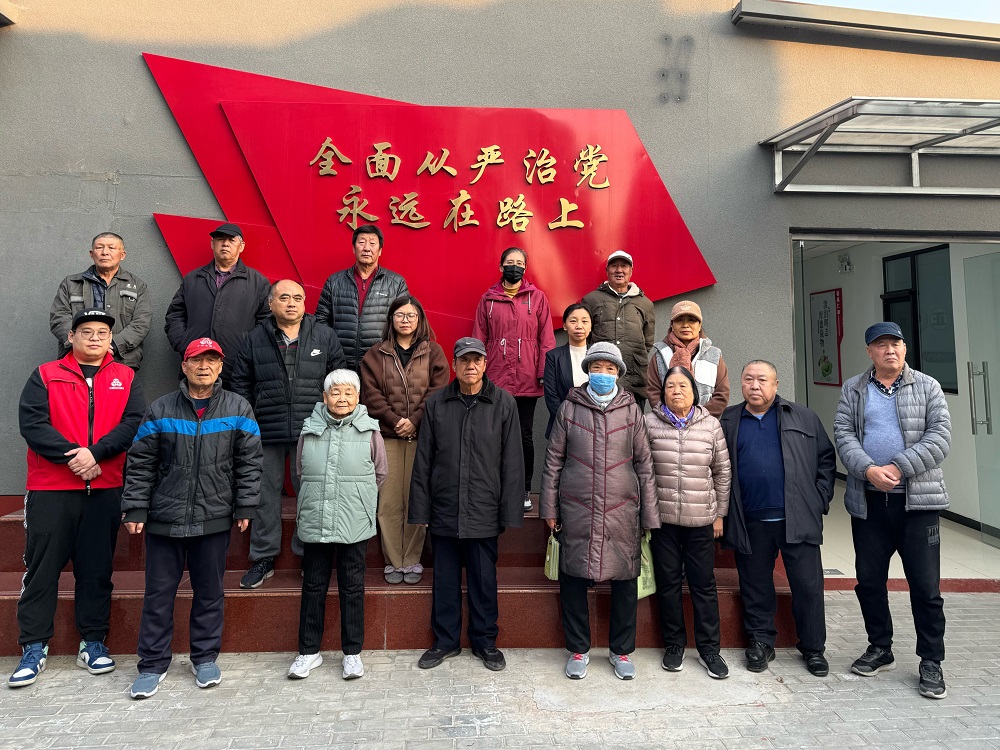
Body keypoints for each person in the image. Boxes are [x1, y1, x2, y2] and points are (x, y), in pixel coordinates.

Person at [9, 308, 144, 689]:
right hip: (51, 489)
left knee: (96, 570)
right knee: (42, 570)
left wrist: (96, 454)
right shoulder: (45, 374)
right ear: (71, 337)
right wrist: (77, 457)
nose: (95, 338)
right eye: (87, 332)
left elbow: (133, 423)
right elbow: (33, 424)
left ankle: (93, 642)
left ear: (110, 339)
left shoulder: (125, 377)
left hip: (103, 489)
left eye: (102, 332)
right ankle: (33, 646)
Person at [122, 337, 262, 699]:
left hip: (214, 517)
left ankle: (204, 658)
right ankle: (152, 664)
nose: (204, 367)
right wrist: (135, 507)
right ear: (184, 366)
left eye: (212, 361)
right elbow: (140, 462)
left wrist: (246, 506)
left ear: (220, 367)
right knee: (158, 595)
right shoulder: (160, 409)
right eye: (197, 360)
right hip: (164, 519)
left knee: (210, 592)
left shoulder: (238, 408)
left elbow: (249, 463)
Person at [834, 322, 951, 700]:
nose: (890, 350)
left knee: (926, 587)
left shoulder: (928, 387)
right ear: (869, 351)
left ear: (904, 348)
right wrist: (868, 469)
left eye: (896, 344)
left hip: (918, 504)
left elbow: (940, 438)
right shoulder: (854, 388)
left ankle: (931, 660)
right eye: (881, 345)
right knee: (869, 581)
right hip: (869, 502)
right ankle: (880, 647)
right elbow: (843, 435)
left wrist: (899, 468)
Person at [540, 342, 658, 681]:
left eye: (609, 369)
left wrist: (649, 515)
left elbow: (644, 464)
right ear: (587, 371)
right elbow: (553, 460)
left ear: (618, 374)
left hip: (623, 507)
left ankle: (621, 651)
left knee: (625, 580)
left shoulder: (631, 410)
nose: (603, 374)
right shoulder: (569, 407)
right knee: (573, 577)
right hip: (577, 506)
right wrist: (549, 506)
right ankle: (578, 649)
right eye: (597, 368)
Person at [409, 337, 524, 672]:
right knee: (444, 580)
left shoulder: (503, 403)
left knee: (484, 580)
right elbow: (424, 460)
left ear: (485, 364)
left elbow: (512, 463)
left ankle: (485, 642)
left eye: (477, 360)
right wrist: (421, 509)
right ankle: (445, 642)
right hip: (444, 508)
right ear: (454, 365)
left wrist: (508, 511)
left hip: (484, 509)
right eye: (464, 360)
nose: (470, 366)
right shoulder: (436, 404)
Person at [720, 361, 836, 677]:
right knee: (755, 584)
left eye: (762, 379)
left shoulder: (803, 417)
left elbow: (826, 459)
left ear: (776, 384)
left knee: (808, 586)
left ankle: (813, 649)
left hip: (797, 518)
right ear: (741, 383)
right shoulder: (728, 420)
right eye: (748, 379)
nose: (755, 385)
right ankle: (761, 642)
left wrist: (818, 500)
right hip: (749, 520)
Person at [230, 280, 346, 589]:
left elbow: (338, 379)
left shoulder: (324, 335)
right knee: (264, 494)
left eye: (297, 297)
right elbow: (240, 382)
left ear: (305, 303)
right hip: (265, 428)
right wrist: (249, 420)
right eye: (284, 297)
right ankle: (263, 557)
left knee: (311, 493)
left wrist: (328, 419)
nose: (291, 303)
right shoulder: (254, 338)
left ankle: (308, 554)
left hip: (312, 428)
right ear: (271, 304)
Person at [288, 370, 388, 681]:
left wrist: (358, 498)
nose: (342, 398)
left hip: (353, 519)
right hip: (316, 517)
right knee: (313, 585)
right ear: (325, 397)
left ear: (358, 397)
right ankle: (308, 652)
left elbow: (380, 473)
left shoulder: (370, 430)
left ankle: (352, 653)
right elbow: (300, 471)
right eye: (335, 392)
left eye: (348, 392)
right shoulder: (310, 429)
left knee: (352, 587)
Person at [645, 365, 732, 679]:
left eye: (683, 385)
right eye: (670, 386)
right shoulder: (649, 423)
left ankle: (709, 649)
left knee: (703, 584)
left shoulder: (710, 425)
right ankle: (674, 645)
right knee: (668, 584)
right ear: (662, 392)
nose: (676, 391)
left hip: (700, 520)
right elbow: (641, 471)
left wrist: (719, 515)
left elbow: (722, 472)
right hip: (663, 521)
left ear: (695, 392)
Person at [360, 296, 449, 585]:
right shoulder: (375, 354)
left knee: (417, 499)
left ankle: (411, 560)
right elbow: (370, 393)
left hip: (422, 437)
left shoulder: (433, 352)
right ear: (391, 319)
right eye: (400, 315)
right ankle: (393, 560)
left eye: (411, 315)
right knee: (387, 501)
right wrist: (395, 421)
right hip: (388, 436)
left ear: (420, 319)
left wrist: (415, 421)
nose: (406, 320)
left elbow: (438, 390)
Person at [472, 247, 556, 512]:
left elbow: (546, 339)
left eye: (520, 263)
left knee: (524, 436)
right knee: (494, 435)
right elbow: (478, 339)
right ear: (501, 267)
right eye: (510, 262)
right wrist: (478, 374)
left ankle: (523, 489)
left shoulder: (537, 298)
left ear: (525, 268)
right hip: (496, 378)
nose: (515, 267)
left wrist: (543, 372)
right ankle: (494, 489)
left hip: (527, 378)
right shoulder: (488, 299)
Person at [163, 222, 271, 387]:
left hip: (237, 368)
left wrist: (249, 351)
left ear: (241, 246)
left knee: (234, 404)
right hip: (196, 365)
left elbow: (267, 321)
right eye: (220, 239)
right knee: (195, 403)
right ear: (212, 244)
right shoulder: (193, 279)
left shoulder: (258, 282)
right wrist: (184, 343)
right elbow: (175, 314)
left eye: (231, 240)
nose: (225, 244)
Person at [49, 232, 152, 370]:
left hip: (121, 361)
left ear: (122, 255)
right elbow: (59, 317)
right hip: (76, 360)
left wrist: (114, 345)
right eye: (99, 247)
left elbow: (141, 322)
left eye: (111, 248)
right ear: (92, 254)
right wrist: (83, 344)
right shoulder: (71, 283)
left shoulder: (137, 286)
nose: (105, 252)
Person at [314, 224, 409, 372]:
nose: (366, 248)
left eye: (372, 243)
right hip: (339, 362)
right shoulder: (334, 281)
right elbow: (321, 320)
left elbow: (404, 321)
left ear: (380, 251)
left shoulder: (396, 283)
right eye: (361, 242)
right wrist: (331, 350)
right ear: (353, 248)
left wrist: (391, 354)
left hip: (380, 364)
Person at [582, 250, 655, 411]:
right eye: (614, 266)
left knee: (633, 423)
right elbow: (585, 338)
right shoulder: (591, 300)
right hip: (602, 381)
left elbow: (647, 342)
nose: (619, 270)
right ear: (607, 270)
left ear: (631, 271)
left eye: (624, 266)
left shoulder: (645, 304)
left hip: (634, 380)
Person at [645, 300, 729, 417]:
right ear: (672, 325)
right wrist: (670, 417)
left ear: (699, 325)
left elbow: (722, 394)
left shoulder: (714, 355)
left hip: (705, 423)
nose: (685, 325)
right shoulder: (660, 355)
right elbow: (653, 391)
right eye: (679, 320)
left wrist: (699, 418)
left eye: (691, 320)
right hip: (667, 423)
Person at [543, 302, 592, 439]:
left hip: (595, 426)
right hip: (563, 427)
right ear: (565, 326)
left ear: (590, 326)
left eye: (584, 321)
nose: (579, 326)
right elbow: (551, 396)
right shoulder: (554, 357)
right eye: (573, 321)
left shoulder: (599, 355)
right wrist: (568, 422)